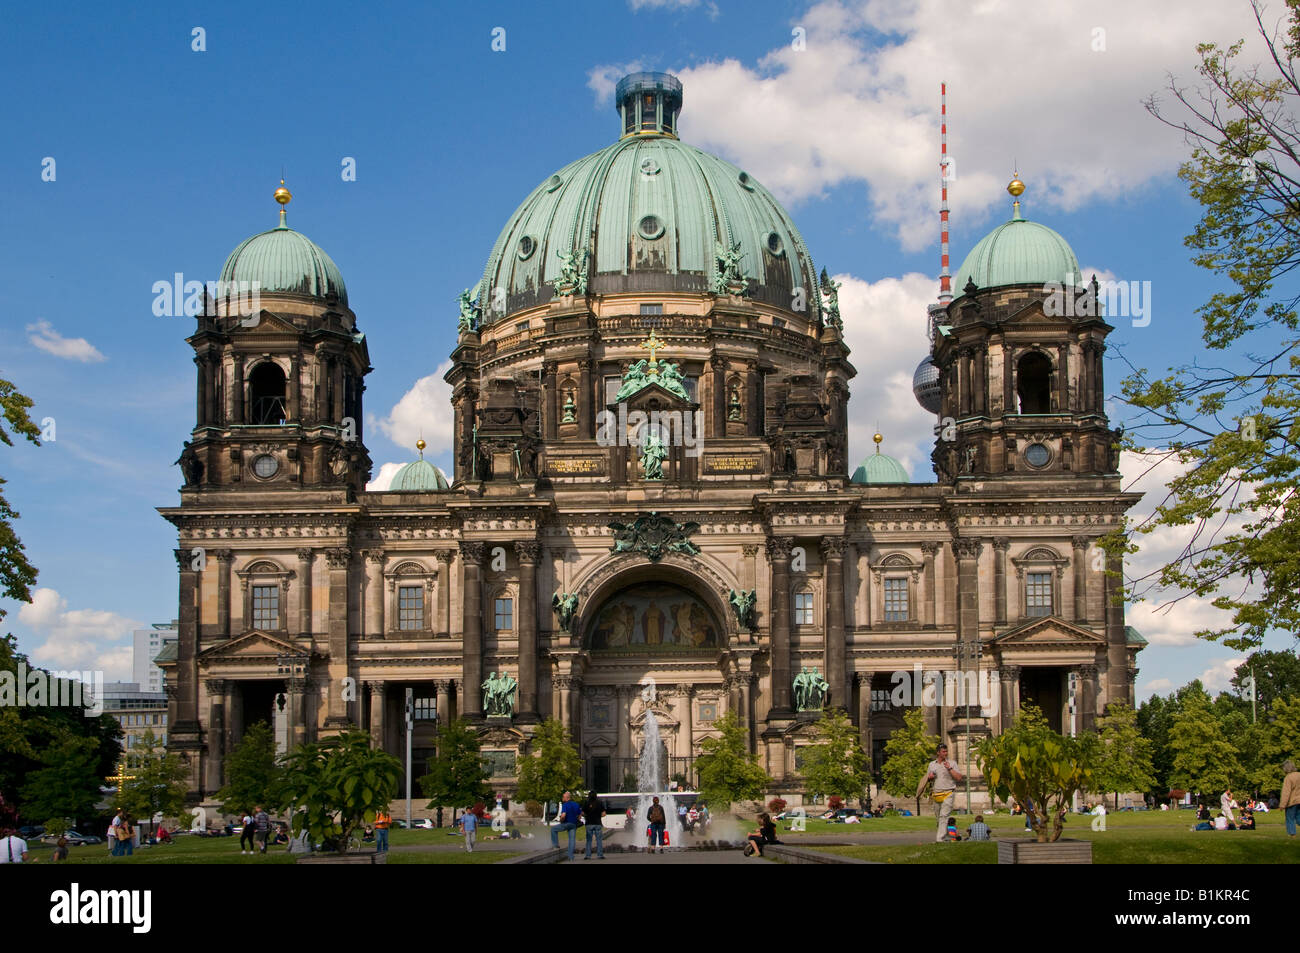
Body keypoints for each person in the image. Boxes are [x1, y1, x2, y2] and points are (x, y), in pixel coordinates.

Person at [917, 743, 963, 843]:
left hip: (948, 792)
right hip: (936, 793)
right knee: (939, 819)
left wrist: (950, 768)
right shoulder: (932, 765)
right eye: (943, 752)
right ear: (938, 752)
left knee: (944, 816)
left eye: (946, 751)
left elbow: (959, 777)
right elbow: (928, 779)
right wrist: (929, 778)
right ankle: (947, 836)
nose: (945, 753)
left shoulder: (952, 763)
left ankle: (939, 839)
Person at [550, 791, 583, 860]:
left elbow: (563, 816)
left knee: (553, 829)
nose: (562, 798)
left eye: (563, 797)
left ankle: (556, 845)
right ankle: (571, 857)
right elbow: (580, 815)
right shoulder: (576, 804)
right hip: (574, 824)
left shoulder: (565, 805)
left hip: (567, 823)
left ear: (567, 798)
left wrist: (561, 821)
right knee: (572, 840)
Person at [582, 791, 606, 860]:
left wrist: (587, 815)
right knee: (599, 840)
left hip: (589, 823)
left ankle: (588, 855)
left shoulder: (586, 803)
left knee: (589, 840)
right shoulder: (600, 802)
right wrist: (598, 816)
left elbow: (583, 813)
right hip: (598, 823)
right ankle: (600, 855)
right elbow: (604, 813)